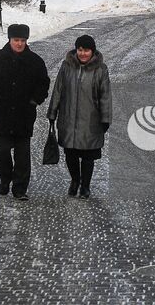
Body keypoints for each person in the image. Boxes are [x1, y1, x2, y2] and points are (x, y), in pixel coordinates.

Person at [0, 23, 49, 199]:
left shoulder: (35, 61)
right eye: (16, 40)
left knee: (22, 155)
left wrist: (35, 100)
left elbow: (43, 83)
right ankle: (5, 178)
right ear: (10, 40)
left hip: (25, 114)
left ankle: (20, 188)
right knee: (1, 150)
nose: (19, 44)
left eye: (23, 40)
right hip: (2, 114)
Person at [48, 33, 112, 198]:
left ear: (93, 51)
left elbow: (105, 96)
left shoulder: (101, 69)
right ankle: (75, 180)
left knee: (88, 157)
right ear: (76, 50)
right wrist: (52, 113)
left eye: (87, 50)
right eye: (80, 50)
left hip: (91, 120)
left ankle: (85, 186)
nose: (83, 53)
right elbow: (58, 90)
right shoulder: (66, 66)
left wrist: (105, 119)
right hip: (68, 119)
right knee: (70, 154)